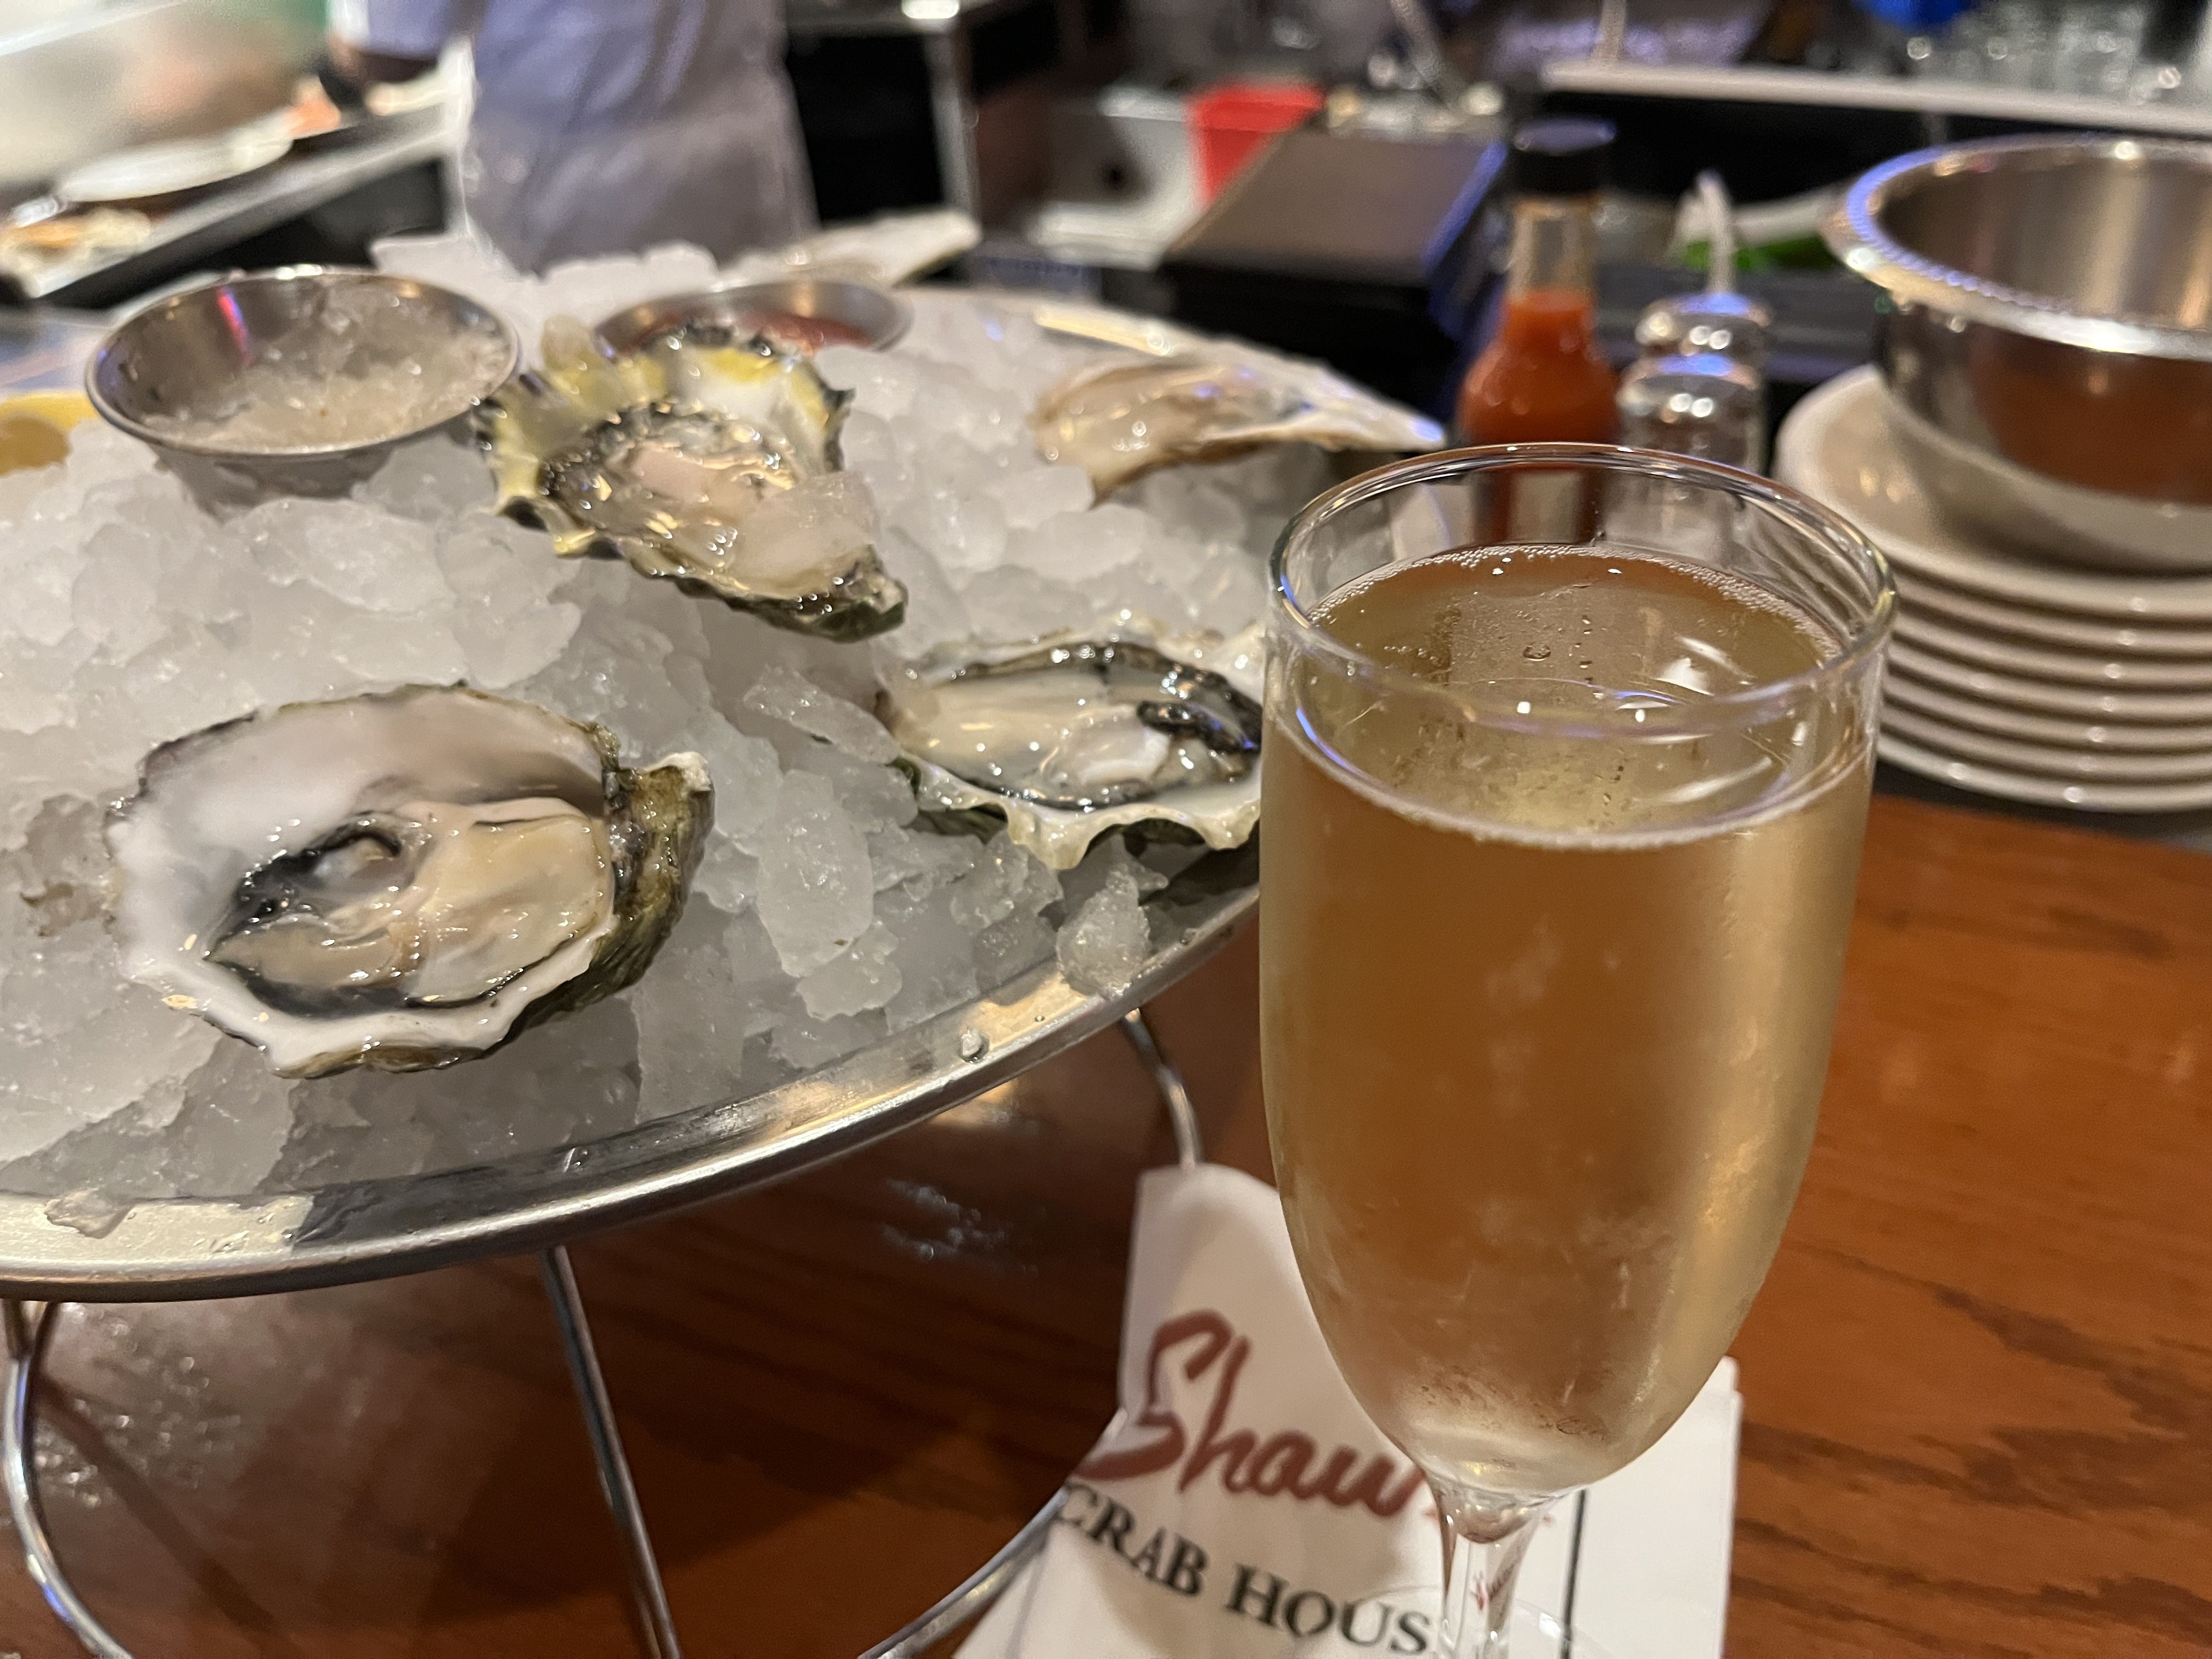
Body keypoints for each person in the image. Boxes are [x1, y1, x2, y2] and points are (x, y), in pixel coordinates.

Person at [328, 0, 817, 272]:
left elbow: (390, 55)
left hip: (572, 191)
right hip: (738, 146)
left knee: (584, 409)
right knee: (764, 372)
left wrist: (337, 52)